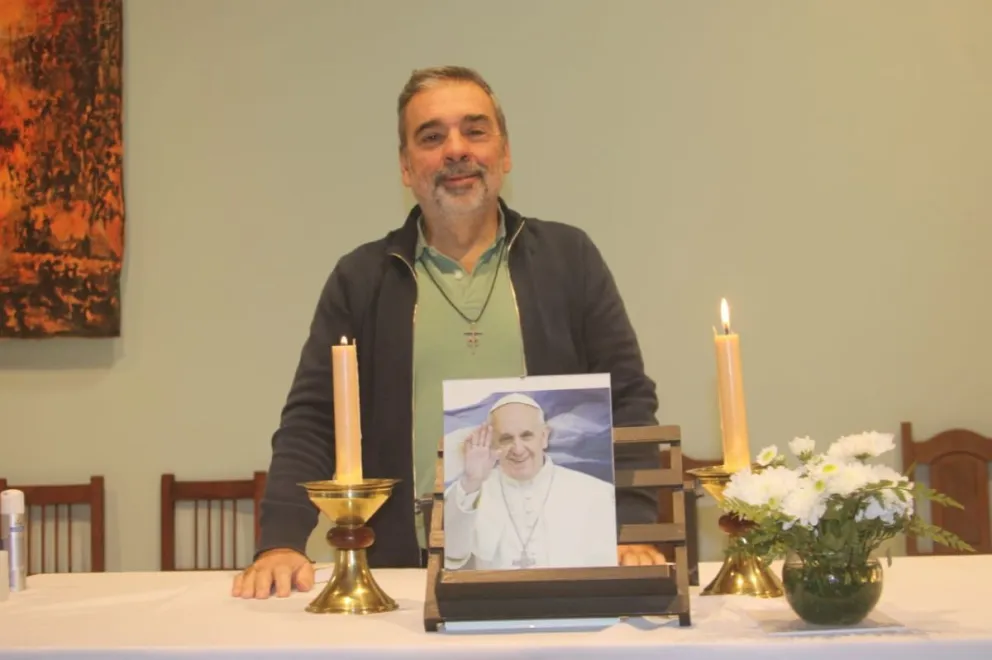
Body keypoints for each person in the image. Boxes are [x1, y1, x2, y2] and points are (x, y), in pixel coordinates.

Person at [232, 65, 666, 600]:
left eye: (475, 130)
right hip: (404, 576)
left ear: (504, 154)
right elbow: (312, 419)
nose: (455, 149)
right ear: (406, 166)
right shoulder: (363, 277)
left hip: (558, 565)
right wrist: (280, 541)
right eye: (431, 137)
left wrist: (634, 529)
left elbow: (627, 399)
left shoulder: (569, 259)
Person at [444, 393, 618, 570]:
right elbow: (452, 555)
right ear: (493, 443)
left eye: (526, 436)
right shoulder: (471, 491)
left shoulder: (594, 492)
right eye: (506, 439)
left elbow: (604, 566)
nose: (518, 449)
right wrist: (472, 481)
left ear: (544, 437)